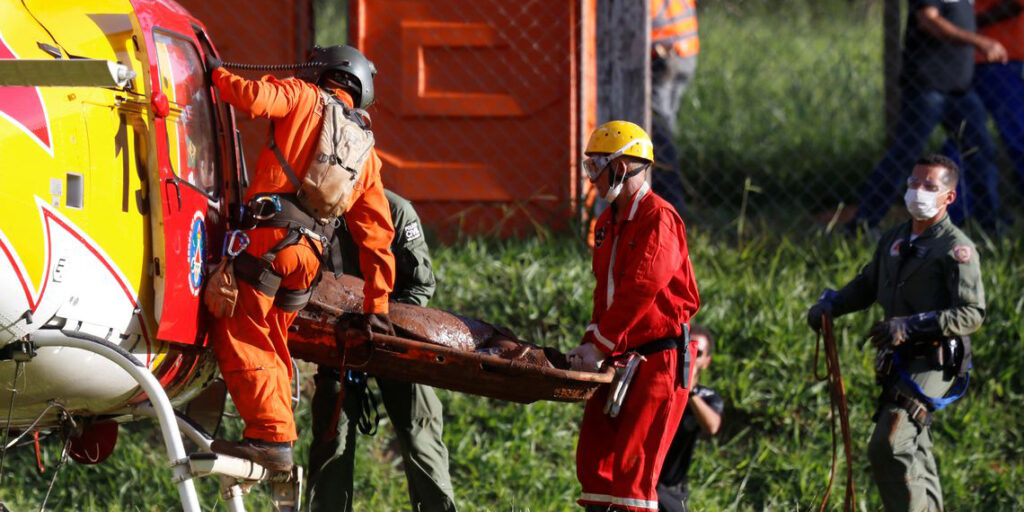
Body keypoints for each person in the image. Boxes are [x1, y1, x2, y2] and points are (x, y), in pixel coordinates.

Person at [205, 45, 397, 471]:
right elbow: (378, 236)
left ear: (323, 71)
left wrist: (217, 75)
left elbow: (252, 99)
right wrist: (377, 306)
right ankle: (273, 434)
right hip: (307, 260)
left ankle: (271, 437)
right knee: (270, 340)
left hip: (268, 243)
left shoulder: (301, 95)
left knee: (240, 332)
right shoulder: (366, 152)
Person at [809, 155, 985, 512]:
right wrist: (833, 305)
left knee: (889, 443)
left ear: (948, 197)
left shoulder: (956, 248)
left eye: (930, 186)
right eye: (913, 183)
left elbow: (972, 313)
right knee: (914, 444)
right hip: (898, 358)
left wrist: (911, 324)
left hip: (935, 358)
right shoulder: (894, 237)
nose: (918, 192)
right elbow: (868, 284)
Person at [570, 120, 701, 512]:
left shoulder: (659, 218)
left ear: (622, 168)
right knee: (595, 463)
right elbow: (604, 292)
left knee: (633, 475)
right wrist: (591, 344)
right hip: (619, 355)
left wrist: (600, 346)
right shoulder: (606, 223)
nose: (593, 177)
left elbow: (643, 287)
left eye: (598, 167)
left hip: (658, 360)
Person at [307, 189, 456, 511]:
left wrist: (391, 327)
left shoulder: (395, 209)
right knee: (331, 437)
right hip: (340, 339)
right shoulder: (313, 207)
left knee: (421, 433)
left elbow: (420, 285)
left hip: (397, 339)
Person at [848, 0, 1008, 232]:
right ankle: (863, 224)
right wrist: (979, 41)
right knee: (904, 155)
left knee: (980, 152)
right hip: (927, 87)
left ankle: (990, 225)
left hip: (960, 90)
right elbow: (928, 20)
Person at [944, 0, 1024, 223]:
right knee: (965, 140)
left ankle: (974, 213)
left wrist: (967, 26)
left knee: (1016, 136)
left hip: (1000, 57)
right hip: (969, 60)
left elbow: (1013, 5)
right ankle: (956, 212)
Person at [655, 325, 723, 512]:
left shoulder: (706, 396)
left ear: (707, 362)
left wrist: (690, 391)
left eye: (698, 352)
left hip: (670, 490)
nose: (691, 356)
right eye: (687, 348)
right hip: (639, 481)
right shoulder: (656, 385)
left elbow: (712, 426)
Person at [650, 0, 699, 215]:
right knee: (663, 130)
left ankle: (670, 211)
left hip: (659, 51)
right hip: (684, 47)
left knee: (657, 137)